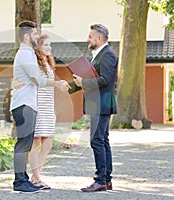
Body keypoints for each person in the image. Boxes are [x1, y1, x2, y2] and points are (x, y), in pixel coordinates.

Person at [10, 20, 70, 194]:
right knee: (23, 144)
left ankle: (23, 179)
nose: (37, 36)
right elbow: (38, 80)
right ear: (28, 36)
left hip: (28, 103)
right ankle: (20, 181)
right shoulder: (26, 54)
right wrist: (57, 84)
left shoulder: (27, 53)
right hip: (24, 104)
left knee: (26, 143)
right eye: (35, 34)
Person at [70, 24, 118, 192]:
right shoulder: (98, 55)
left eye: (90, 36)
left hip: (102, 103)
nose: (87, 39)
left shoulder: (107, 55)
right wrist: (67, 86)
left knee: (97, 141)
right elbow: (89, 78)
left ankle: (100, 181)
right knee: (102, 140)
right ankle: (106, 180)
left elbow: (105, 80)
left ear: (99, 38)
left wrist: (83, 82)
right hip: (98, 103)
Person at [29, 34, 56, 189]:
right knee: (36, 142)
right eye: (45, 45)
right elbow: (39, 83)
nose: (49, 48)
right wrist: (57, 83)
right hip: (38, 106)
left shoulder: (48, 63)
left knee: (48, 143)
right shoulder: (35, 63)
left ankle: (35, 175)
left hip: (48, 107)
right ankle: (37, 178)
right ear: (38, 47)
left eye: (49, 45)